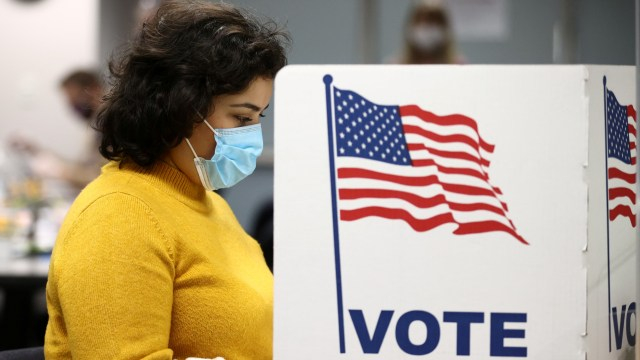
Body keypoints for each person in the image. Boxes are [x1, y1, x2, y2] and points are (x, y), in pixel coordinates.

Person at [44, 1, 289, 359]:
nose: (254, 135)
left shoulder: (208, 203)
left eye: (258, 117)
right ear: (179, 108)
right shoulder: (117, 217)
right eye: (241, 118)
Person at [10, 70, 104, 190]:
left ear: (94, 89)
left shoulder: (108, 124)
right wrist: (37, 150)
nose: (72, 105)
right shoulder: (95, 124)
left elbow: (99, 175)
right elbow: (83, 166)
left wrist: (63, 173)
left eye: (75, 99)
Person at [397, 0, 461, 64]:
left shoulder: (458, 66)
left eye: (434, 22)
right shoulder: (396, 66)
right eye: (422, 21)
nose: (427, 27)